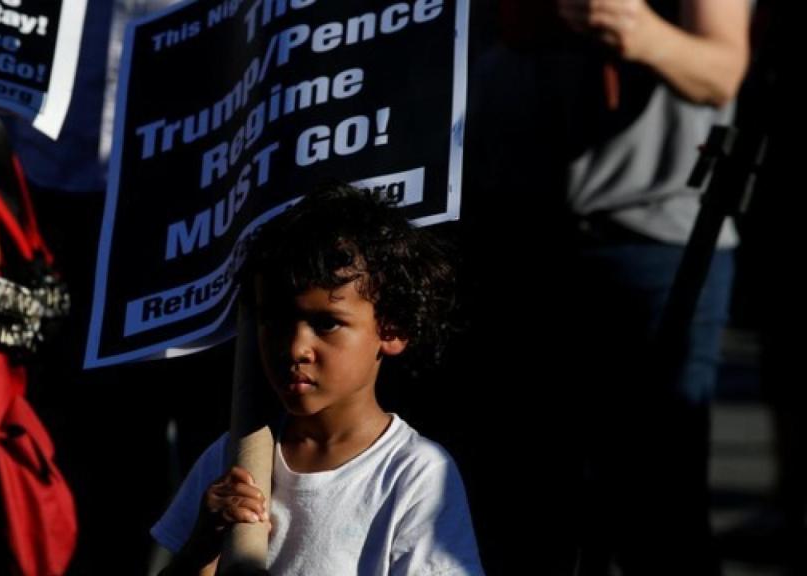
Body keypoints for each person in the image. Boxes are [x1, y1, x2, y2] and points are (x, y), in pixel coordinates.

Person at [458, 0, 750, 573]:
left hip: (655, 241)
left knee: (659, 508)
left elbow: (719, 71)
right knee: (523, 501)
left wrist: (638, 30)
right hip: (514, 231)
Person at [151, 185, 485, 575]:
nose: (295, 348)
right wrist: (202, 548)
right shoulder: (234, 456)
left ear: (392, 328)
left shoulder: (414, 474)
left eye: (327, 323)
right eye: (273, 320)